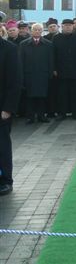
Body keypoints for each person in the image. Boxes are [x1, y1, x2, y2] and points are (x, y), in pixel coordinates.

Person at [0, 22, 21, 196]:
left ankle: (5, 180)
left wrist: (8, 108)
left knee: (2, 145)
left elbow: (15, 82)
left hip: (1, 107)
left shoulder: (9, 49)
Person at [19, 23, 54, 124]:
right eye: (35, 29)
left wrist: (50, 73)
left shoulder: (48, 44)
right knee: (29, 96)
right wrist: (21, 75)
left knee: (42, 96)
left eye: (39, 30)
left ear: (42, 31)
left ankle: (41, 116)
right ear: (31, 31)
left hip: (43, 74)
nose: (37, 31)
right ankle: (30, 117)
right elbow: (20, 61)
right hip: (28, 74)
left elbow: (51, 60)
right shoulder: (24, 44)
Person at [52, 19, 76, 121]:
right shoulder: (56, 38)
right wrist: (54, 68)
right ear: (62, 26)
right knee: (62, 93)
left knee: (75, 93)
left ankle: (75, 113)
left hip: (75, 71)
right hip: (61, 71)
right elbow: (53, 55)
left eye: (69, 25)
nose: (68, 27)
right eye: (66, 25)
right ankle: (62, 113)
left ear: (73, 27)